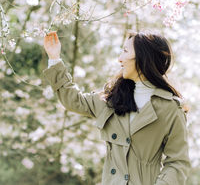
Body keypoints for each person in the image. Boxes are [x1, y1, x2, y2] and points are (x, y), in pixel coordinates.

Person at [42, 30, 191, 185]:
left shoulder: (171, 109)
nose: (119, 59)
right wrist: (54, 59)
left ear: (143, 57)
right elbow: (73, 100)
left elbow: (178, 162)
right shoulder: (111, 99)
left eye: (125, 51)